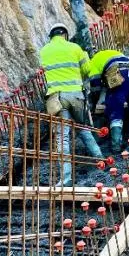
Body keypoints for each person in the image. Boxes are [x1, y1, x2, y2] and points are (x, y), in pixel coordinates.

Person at [39, 23, 103, 186]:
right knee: (83, 128)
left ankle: (66, 179)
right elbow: (87, 71)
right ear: (65, 35)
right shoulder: (75, 47)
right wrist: (85, 57)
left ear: (51, 36)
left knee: (62, 138)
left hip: (57, 98)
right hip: (76, 95)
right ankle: (100, 160)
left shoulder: (44, 51)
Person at [87, 49, 129, 153]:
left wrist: (94, 105)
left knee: (115, 111)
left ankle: (116, 145)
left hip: (117, 75)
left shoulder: (93, 61)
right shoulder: (115, 53)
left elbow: (95, 85)